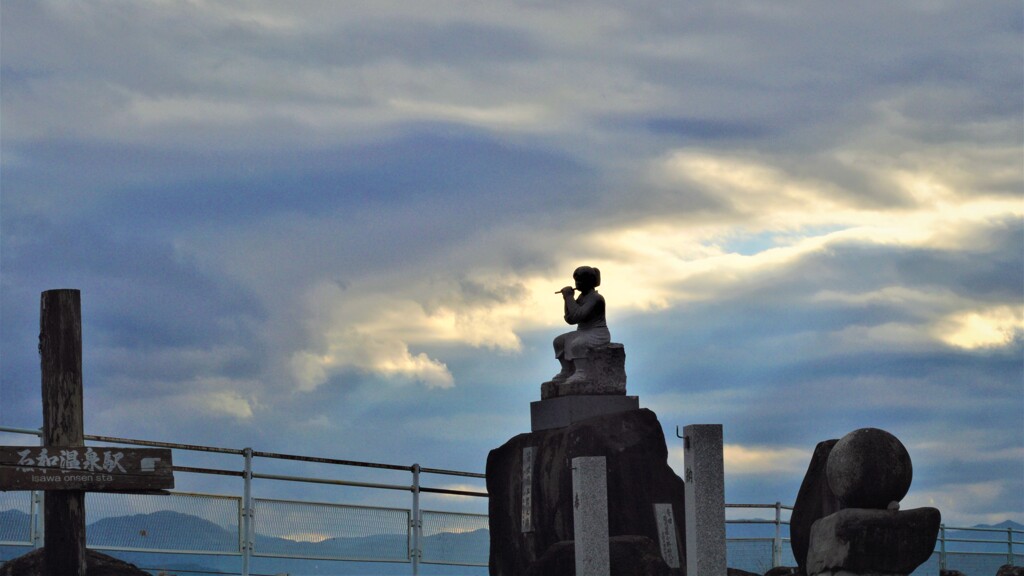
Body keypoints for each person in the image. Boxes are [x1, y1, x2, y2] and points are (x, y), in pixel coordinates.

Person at [548, 265, 610, 385]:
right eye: (576, 280)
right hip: (583, 331)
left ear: (590, 281)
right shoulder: (581, 298)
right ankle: (567, 370)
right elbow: (570, 319)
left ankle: (581, 372)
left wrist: (569, 297)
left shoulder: (596, 298)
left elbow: (578, 316)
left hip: (598, 332)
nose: (577, 283)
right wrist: (567, 300)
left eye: (580, 280)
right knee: (559, 341)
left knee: (578, 343)